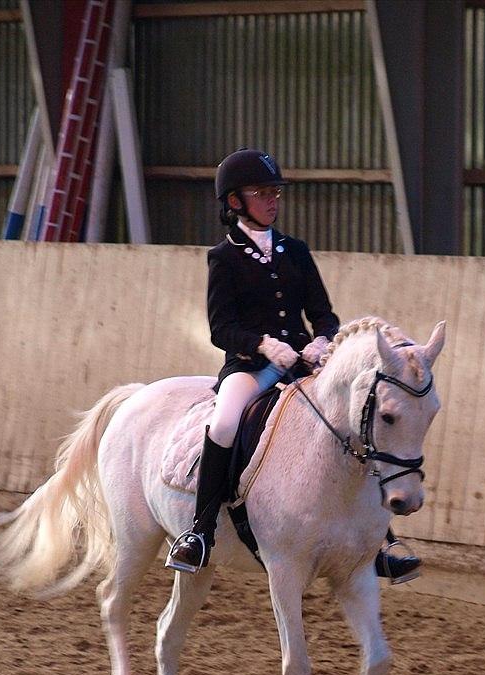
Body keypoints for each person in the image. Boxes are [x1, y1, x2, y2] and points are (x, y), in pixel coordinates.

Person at [166, 148, 420, 583]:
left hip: (304, 362)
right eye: (261, 193)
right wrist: (264, 345)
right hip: (250, 367)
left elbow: (323, 312)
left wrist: (322, 339)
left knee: (353, 424)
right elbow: (221, 329)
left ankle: (380, 540)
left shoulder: (295, 251)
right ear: (235, 201)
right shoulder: (223, 258)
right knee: (224, 424)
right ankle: (200, 531)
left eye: (275, 193)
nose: (272, 200)